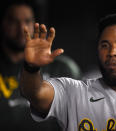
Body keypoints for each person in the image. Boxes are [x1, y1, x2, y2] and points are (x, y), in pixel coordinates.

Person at [20, 13, 116, 130]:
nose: (112, 52)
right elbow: (34, 94)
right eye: (105, 45)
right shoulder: (72, 92)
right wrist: (31, 68)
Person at [0, 0, 80, 130]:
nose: (22, 28)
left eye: (27, 21)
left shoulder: (62, 68)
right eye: (13, 21)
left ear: (35, 24)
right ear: (3, 23)